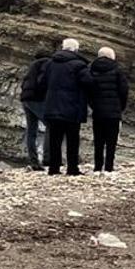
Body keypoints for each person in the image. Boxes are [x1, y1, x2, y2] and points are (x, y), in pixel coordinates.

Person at [38, 38, 93, 176]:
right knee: (72, 139)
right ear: (76, 50)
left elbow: (41, 82)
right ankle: (72, 168)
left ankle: (54, 168)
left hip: (52, 106)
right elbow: (89, 82)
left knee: (54, 139)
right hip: (72, 107)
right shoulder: (79, 65)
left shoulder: (50, 64)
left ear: (63, 47)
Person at [88, 47, 129, 173]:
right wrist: (120, 107)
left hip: (98, 111)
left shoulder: (91, 69)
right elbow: (124, 90)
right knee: (111, 141)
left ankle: (97, 166)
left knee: (98, 140)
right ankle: (109, 167)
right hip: (113, 111)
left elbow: (88, 90)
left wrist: (93, 105)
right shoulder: (117, 70)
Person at [19, 49, 52, 170]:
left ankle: (33, 161)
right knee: (51, 125)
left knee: (31, 130)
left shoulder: (32, 66)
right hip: (36, 98)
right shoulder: (46, 63)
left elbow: (24, 83)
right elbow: (42, 81)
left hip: (25, 99)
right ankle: (48, 159)